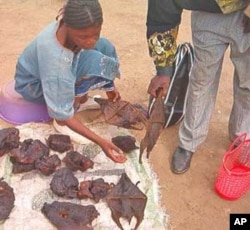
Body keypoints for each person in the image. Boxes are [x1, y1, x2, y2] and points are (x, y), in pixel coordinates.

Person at [14, 0, 127, 163]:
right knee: (94, 62)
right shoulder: (58, 63)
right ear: (67, 25)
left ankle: (80, 97)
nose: (90, 41)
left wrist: (110, 86)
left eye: (95, 33)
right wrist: (101, 142)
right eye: (83, 37)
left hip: (53, 71)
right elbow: (61, 114)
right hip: (33, 86)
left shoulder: (70, 16)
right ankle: (70, 111)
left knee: (105, 47)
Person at [146, 0, 250, 174]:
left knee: (247, 84)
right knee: (201, 81)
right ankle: (189, 142)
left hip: (245, 12)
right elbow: (161, 15)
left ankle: (241, 137)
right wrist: (164, 69)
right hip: (207, 14)